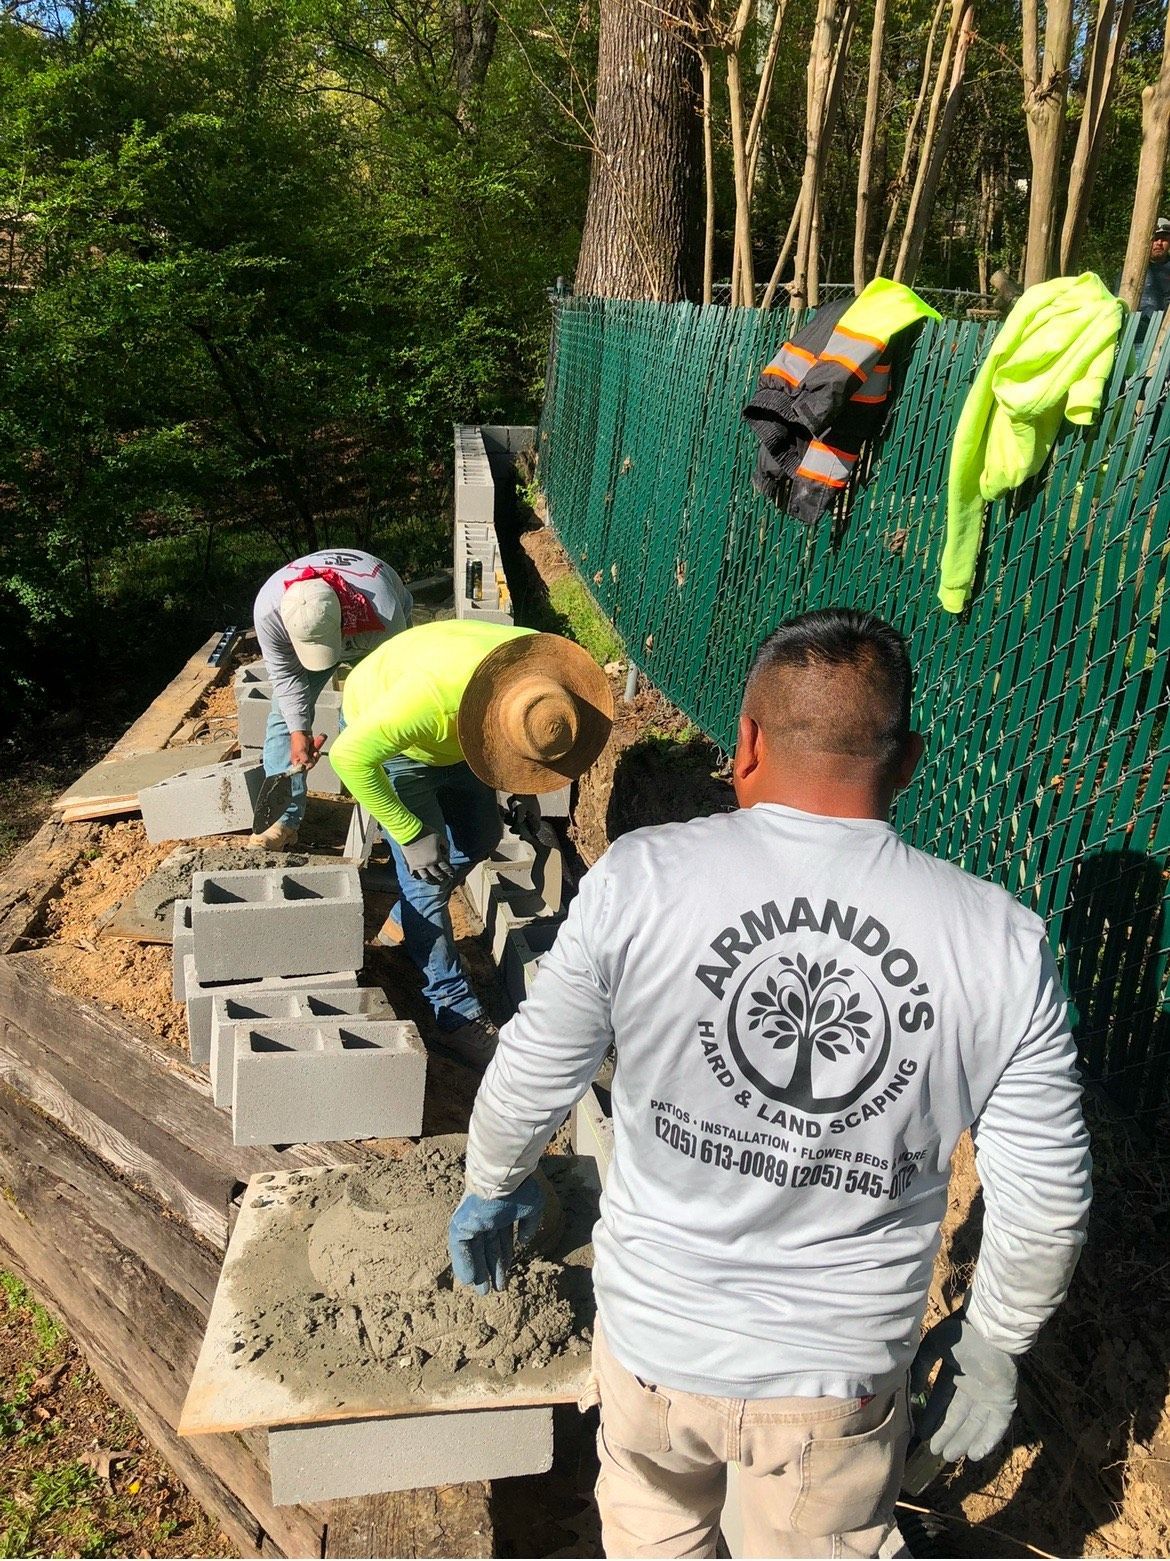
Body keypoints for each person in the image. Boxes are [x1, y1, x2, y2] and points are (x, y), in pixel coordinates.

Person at [449, 607, 1092, 1558]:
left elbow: (535, 1067)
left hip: (653, 1356)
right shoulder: (998, 943)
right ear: (909, 762)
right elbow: (1045, 1199)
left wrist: (492, 1181)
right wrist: (995, 1339)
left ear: (746, 742)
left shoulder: (643, 877)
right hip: (835, 1389)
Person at [329, 621, 613, 1067]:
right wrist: (409, 833)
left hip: (461, 739)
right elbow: (347, 757)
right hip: (396, 748)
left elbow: (524, 726)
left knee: (481, 838)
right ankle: (454, 1014)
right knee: (425, 880)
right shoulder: (429, 704)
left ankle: (406, 920)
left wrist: (525, 787)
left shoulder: (538, 670)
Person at [249, 547, 413, 848]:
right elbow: (286, 678)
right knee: (283, 719)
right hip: (331, 626)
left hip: (369, 631)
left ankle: (389, 814)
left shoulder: (385, 612)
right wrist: (299, 732)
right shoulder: (269, 611)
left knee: (371, 721)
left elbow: (395, 687)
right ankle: (282, 821)